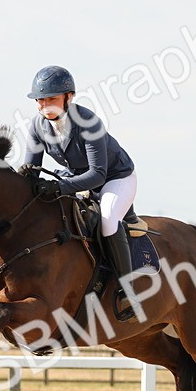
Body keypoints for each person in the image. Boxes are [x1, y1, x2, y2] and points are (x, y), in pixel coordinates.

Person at [19, 65, 141, 318]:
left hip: (115, 178)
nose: (44, 106)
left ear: (69, 97)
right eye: (40, 100)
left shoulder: (89, 123)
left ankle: (127, 291)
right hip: (76, 177)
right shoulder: (37, 126)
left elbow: (98, 174)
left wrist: (60, 186)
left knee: (107, 219)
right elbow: (31, 171)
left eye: (51, 99)